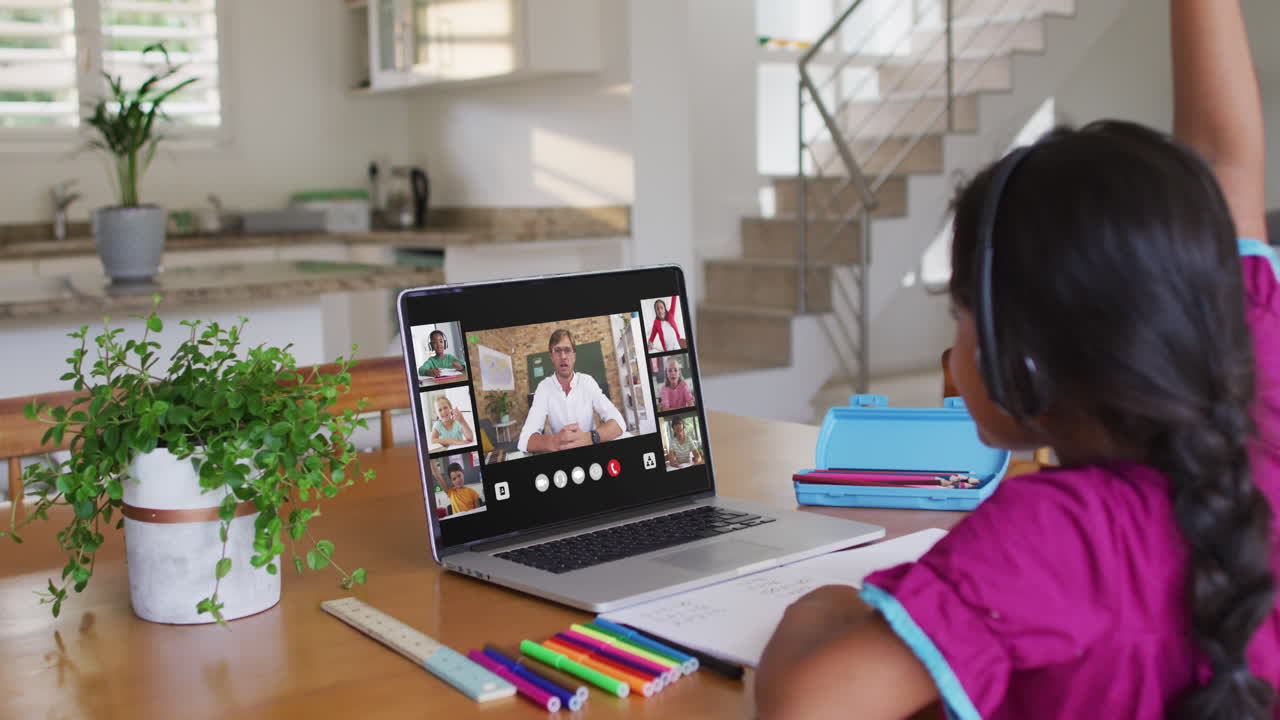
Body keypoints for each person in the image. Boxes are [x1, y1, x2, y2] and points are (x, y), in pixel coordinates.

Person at [755, 2, 1280, 719]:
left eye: (960, 311)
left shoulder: (1054, 535)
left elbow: (807, 707)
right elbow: (1225, 159)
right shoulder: (1258, 375)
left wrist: (823, 605)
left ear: (1019, 354)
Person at [518, 329, 625, 453]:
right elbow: (525, 440)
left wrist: (590, 437)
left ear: (574, 356)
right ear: (551, 357)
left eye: (567, 350)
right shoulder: (543, 388)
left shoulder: (587, 382)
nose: (563, 356)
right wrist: (554, 442)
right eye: (557, 351)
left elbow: (619, 422)